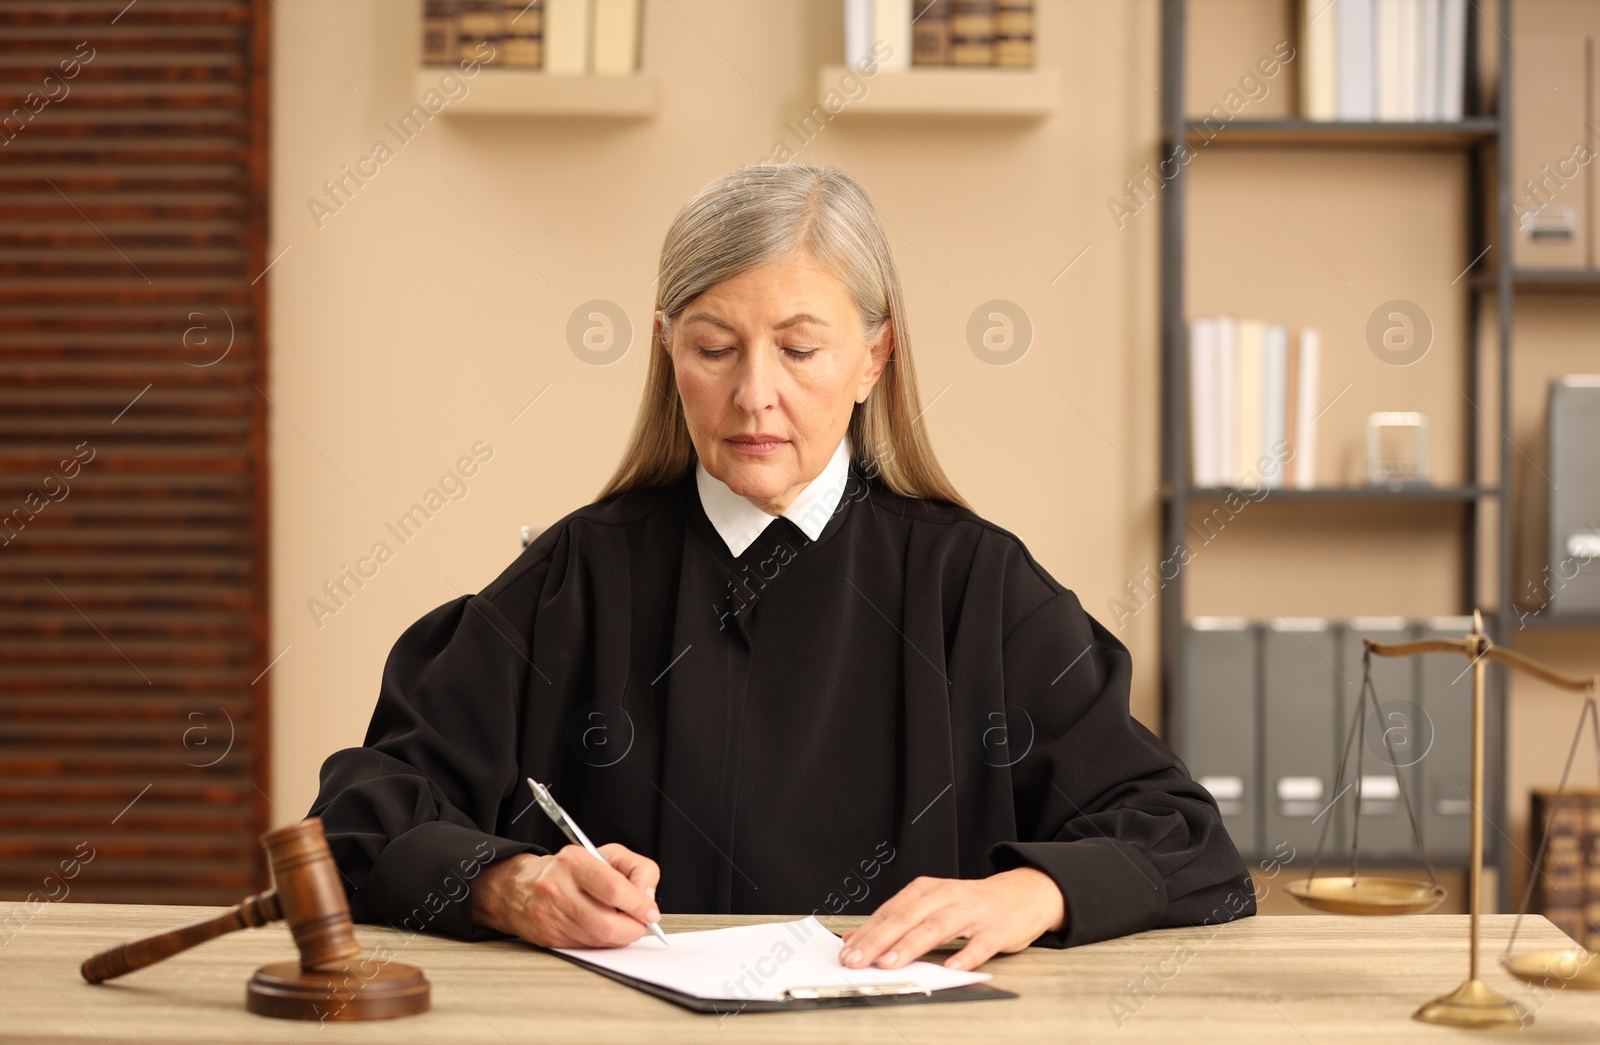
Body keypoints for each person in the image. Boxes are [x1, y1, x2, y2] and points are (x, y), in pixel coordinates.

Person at [307, 162, 1255, 975]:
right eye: (714, 348)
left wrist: (1037, 890)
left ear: (874, 357)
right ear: (666, 346)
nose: (754, 395)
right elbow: (358, 816)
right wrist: (507, 884)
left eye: (801, 349)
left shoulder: (976, 585)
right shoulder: (576, 578)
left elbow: (1185, 838)